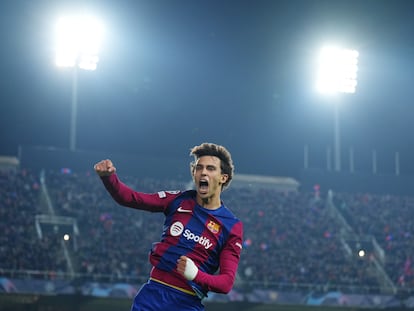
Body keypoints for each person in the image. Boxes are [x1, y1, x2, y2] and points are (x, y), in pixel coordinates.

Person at [94, 142, 243, 311]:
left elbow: (226, 283)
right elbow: (131, 198)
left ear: (223, 177)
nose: (203, 172)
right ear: (193, 173)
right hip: (152, 296)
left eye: (210, 168)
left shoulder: (231, 226)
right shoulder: (177, 200)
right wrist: (109, 178)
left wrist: (196, 275)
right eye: (199, 168)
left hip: (186, 303)